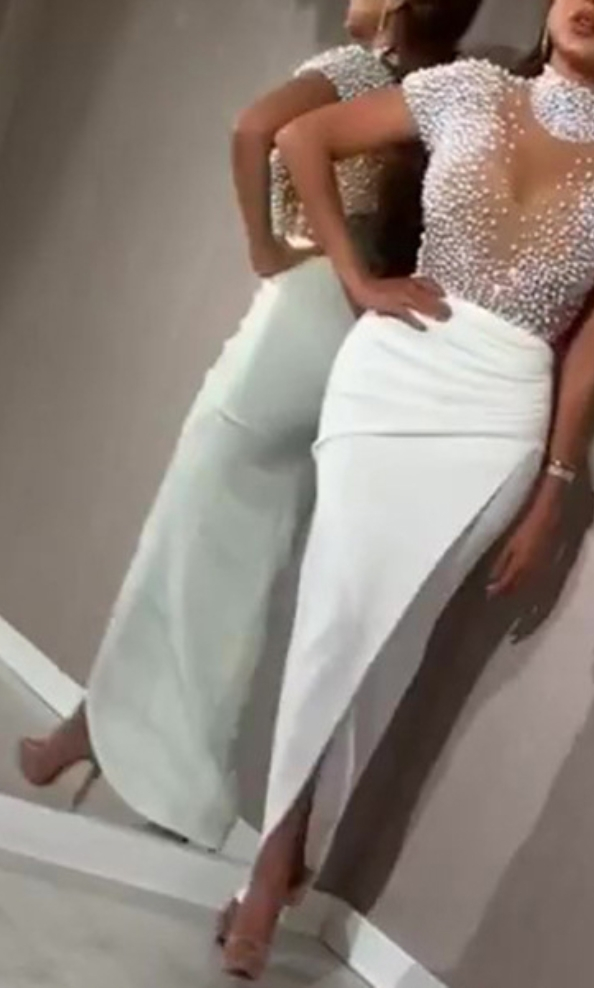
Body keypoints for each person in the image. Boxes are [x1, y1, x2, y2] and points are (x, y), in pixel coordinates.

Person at [220, 0, 594, 979]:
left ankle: (290, 847)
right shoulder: (467, 88)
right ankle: (268, 868)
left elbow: (593, 354)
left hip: (501, 410)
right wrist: (357, 280)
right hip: (394, 372)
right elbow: (301, 138)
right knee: (333, 617)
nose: (588, 2)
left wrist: (556, 488)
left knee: (396, 640)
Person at [17, 0, 483, 849]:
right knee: (236, 554)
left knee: (189, 540)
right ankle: (95, 731)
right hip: (348, 335)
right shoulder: (440, 93)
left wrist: (266, 249)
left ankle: (165, 776)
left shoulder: (360, 73)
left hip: (298, 317)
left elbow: (254, 129)